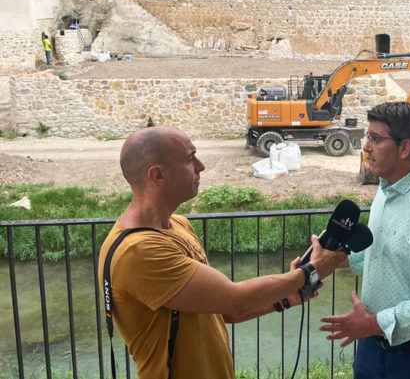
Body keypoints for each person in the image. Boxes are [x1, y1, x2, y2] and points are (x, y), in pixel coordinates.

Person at [98, 126, 347, 379]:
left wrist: (287, 297)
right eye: (190, 158)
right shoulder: (137, 251)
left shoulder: (178, 225)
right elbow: (234, 298)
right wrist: (312, 270)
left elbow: (226, 310)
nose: (201, 165)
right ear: (158, 174)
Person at [319, 102, 410, 379]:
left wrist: (370, 324)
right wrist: (331, 260)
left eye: (376, 139)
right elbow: (382, 254)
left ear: (404, 148)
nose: (366, 146)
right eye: (368, 137)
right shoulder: (386, 189)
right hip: (371, 345)